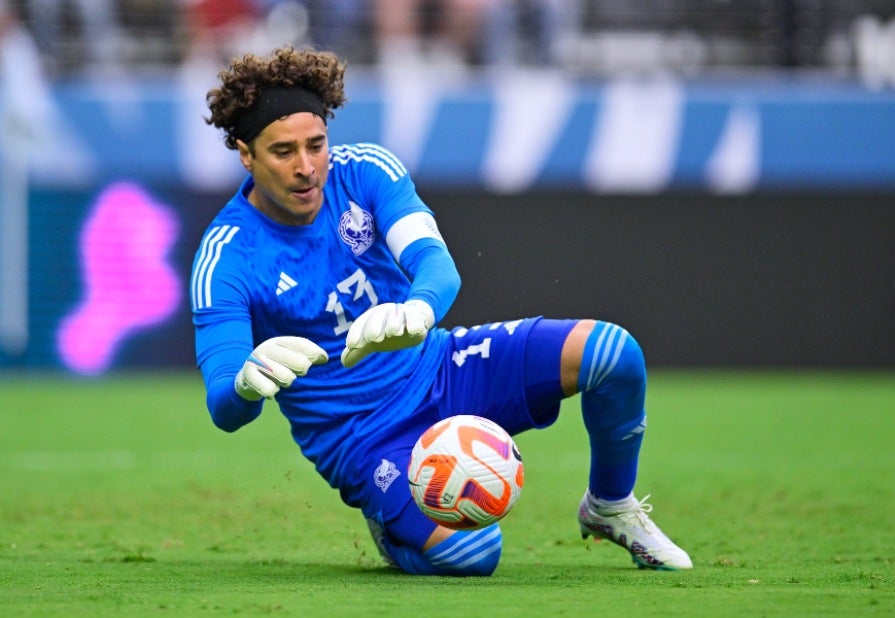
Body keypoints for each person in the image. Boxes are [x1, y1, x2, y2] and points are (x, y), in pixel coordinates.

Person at [191, 45, 692, 576]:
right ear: (245, 154)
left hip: (442, 368)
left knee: (613, 354)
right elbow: (224, 406)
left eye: (317, 145)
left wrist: (418, 309)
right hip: (362, 436)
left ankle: (610, 506)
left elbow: (436, 265)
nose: (307, 167)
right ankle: (391, 528)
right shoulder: (225, 257)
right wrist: (248, 384)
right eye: (283, 151)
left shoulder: (364, 171)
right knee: (474, 555)